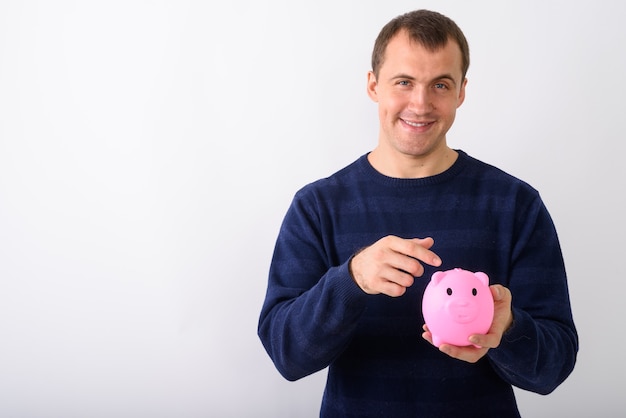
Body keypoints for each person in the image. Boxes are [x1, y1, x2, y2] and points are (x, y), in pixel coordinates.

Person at [258, 9, 578, 418]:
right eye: (404, 82)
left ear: (462, 91)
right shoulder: (318, 206)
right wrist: (351, 279)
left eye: (440, 85)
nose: (421, 103)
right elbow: (286, 354)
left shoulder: (514, 204)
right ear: (373, 85)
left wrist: (509, 328)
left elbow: (556, 365)